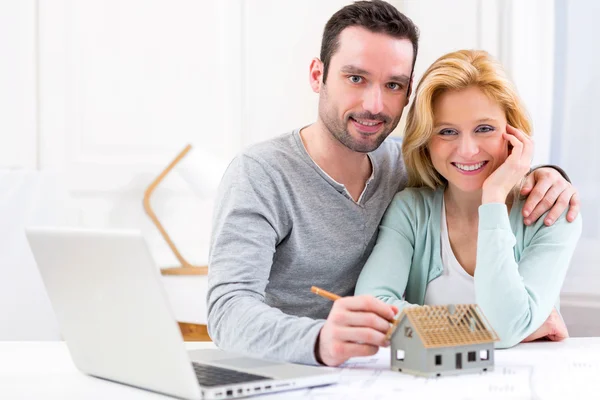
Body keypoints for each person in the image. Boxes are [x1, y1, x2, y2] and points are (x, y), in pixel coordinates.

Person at [207, 0, 579, 367]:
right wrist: (319, 340)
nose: (374, 104)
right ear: (317, 75)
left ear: (408, 91)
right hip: (285, 367)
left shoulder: (404, 163)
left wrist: (545, 177)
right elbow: (226, 311)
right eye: (356, 78)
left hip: (387, 368)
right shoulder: (260, 174)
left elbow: (471, 162)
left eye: (393, 84)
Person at [355, 49, 582, 347]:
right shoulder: (411, 211)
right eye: (447, 131)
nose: (467, 150)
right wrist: (491, 329)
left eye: (484, 129)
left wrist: (493, 200)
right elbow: (372, 311)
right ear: (426, 141)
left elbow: (504, 325)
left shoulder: (552, 212)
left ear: (514, 132)